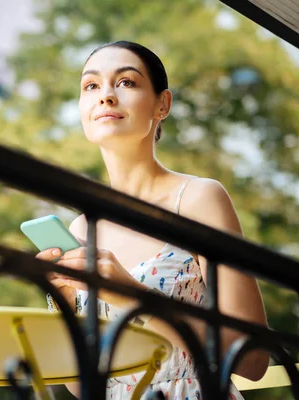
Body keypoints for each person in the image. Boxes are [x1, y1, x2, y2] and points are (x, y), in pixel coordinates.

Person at [36, 41, 268, 399]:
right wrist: (64, 299)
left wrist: (133, 295)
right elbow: (82, 386)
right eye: (91, 86)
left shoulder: (197, 199)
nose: (106, 97)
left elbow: (253, 359)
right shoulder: (81, 229)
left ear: (163, 104)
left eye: (126, 82)